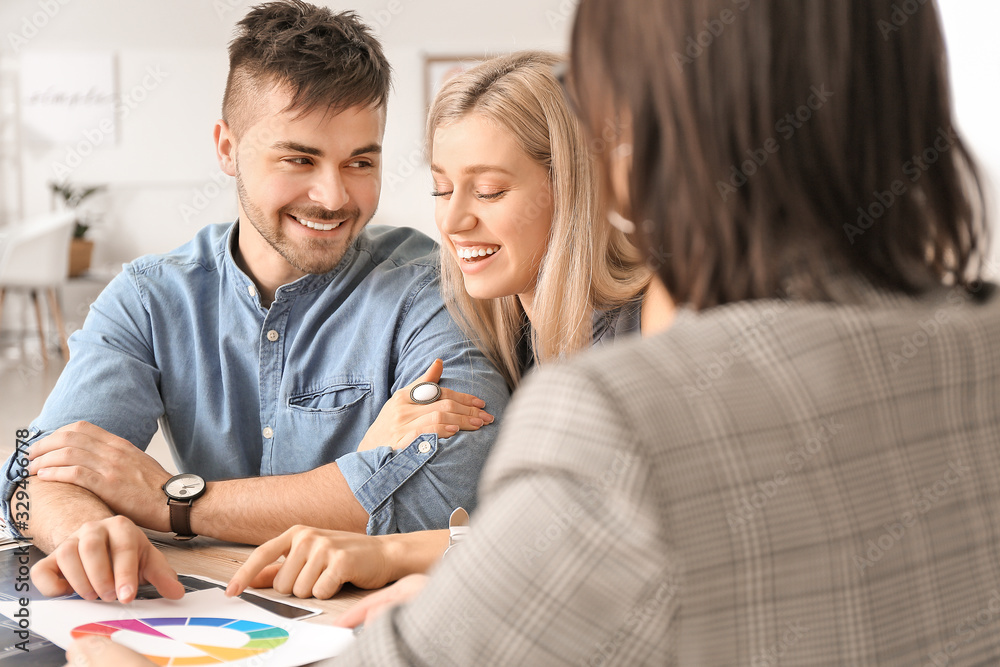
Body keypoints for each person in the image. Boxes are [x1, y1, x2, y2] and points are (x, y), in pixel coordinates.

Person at [66, 0, 1000, 665]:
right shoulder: (973, 353)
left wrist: (155, 560)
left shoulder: (620, 405)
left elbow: (471, 514)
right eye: (439, 187)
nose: (455, 221)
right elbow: (40, 468)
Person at [2, 0, 510, 606]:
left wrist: (173, 501)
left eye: (360, 162)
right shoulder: (149, 298)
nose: (333, 196)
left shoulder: (431, 286)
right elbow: (31, 476)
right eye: (299, 159)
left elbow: (446, 499)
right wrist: (85, 528)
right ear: (226, 148)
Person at [222, 50, 675, 602]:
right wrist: (372, 456)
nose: (454, 220)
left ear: (574, 188)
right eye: (441, 189)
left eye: (488, 192)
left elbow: (602, 540)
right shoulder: (503, 330)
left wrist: (393, 552)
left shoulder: (653, 331)